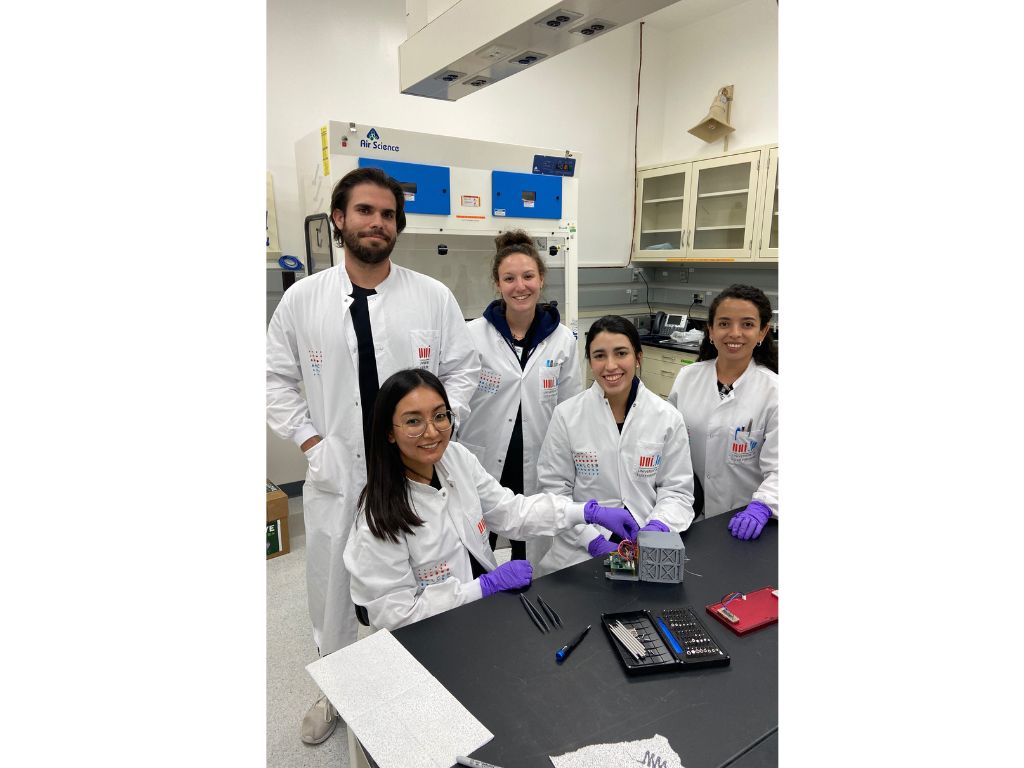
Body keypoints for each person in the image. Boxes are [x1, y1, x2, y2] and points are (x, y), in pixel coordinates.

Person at [266, 167, 481, 745]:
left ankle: (422, 677)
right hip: (339, 472)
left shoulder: (431, 296)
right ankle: (335, 690)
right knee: (332, 585)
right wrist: (311, 441)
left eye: (387, 214)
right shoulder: (302, 300)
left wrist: (440, 429)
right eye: (364, 211)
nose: (376, 223)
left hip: (413, 470)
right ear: (339, 218)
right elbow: (274, 378)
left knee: (420, 579)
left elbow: (463, 369)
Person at [343, 369, 640, 630]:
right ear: (389, 432)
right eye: (413, 421)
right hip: (429, 637)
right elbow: (396, 615)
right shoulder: (376, 517)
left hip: (484, 614)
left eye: (439, 416)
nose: (431, 431)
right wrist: (483, 587)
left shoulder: (455, 459)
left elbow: (511, 512)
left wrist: (585, 512)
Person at [534, 315, 695, 576]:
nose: (611, 365)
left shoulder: (667, 417)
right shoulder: (567, 415)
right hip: (580, 546)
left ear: (638, 357)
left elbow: (677, 491)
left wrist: (658, 526)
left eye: (621, 353)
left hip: (646, 542)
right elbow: (554, 491)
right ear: (590, 362)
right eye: (599, 356)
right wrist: (592, 540)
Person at [460, 230, 582, 563]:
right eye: (509, 278)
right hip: (482, 460)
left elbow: (570, 409)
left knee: (530, 552)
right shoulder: (472, 335)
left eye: (528, 276)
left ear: (541, 279)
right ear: (497, 284)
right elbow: (455, 400)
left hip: (539, 461)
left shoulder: (562, 340)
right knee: (476, 550)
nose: (520, 286)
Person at [667, 284, 778, 540]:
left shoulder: (775, 392)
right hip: (685, 515)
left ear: (762, 332)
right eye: (724, 323)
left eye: (747, 324)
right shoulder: (687, 378)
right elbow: (666, 444)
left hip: (745, 522)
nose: (734, 333)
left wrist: (762, 506)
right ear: (711, 330)